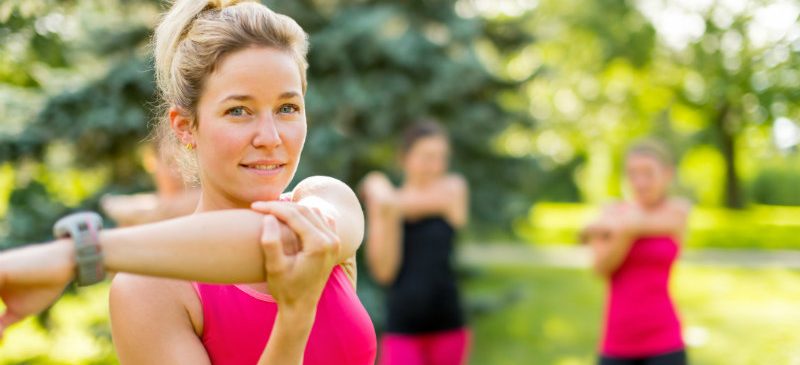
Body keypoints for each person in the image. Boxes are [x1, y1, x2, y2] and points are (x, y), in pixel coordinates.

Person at [0, 1, 377, 364]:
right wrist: (294, 318)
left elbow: (282, 238)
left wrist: (72, 256)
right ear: (185, 126)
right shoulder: (148, 290)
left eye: (287, 108)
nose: (270, 136)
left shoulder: (328, 201)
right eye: (238, 111)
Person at [361, 121, 470, 365]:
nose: (435, 166)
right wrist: (384, 212)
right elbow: (384, 272)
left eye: (442, 157)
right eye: (427, 156)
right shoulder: (387, 206)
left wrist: (380, 194)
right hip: (402, 325)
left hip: (448, 322)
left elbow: (413, 203)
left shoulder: (453, 189)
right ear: (404, 158)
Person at [581, 140, 691, 365]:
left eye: (648, 173)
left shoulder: (676, 211)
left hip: (665, 338)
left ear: (667, 174)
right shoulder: (612, 212)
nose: (640, 182)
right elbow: (600, 269)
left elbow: (665, 222)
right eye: (633, 173)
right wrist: (625, 232)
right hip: (617, 339)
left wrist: (617, 226)